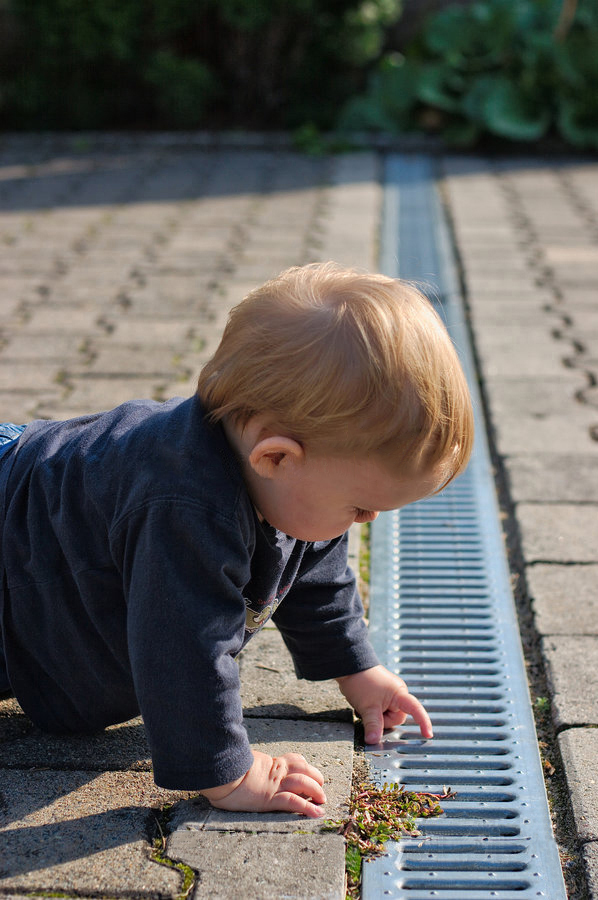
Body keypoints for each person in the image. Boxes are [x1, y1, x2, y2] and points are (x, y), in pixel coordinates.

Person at [0, 262, 473, 818]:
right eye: (360, 507)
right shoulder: (185, 510)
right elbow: (182, 648)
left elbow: (315, 571)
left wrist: (357, 669)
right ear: (276, 457)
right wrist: (229, 773)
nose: (365, 521)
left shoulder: (289, 482)